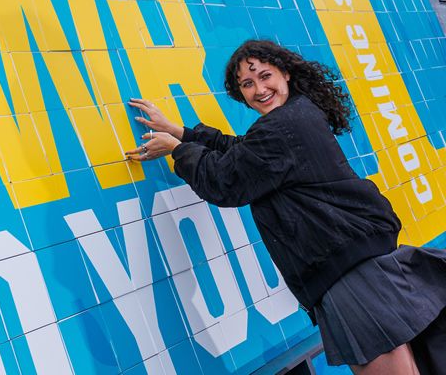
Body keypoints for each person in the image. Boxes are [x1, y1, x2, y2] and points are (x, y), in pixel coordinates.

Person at [125, 39, 446, 374]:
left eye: (265, 76)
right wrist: (182, 132)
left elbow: (225, 181)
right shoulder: (296, 116)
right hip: (365, 272)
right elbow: (244, 151)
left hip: (352, 284)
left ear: (286, 74)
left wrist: (178, 150)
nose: (259, 89)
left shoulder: (283, 127)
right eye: (247, 84)